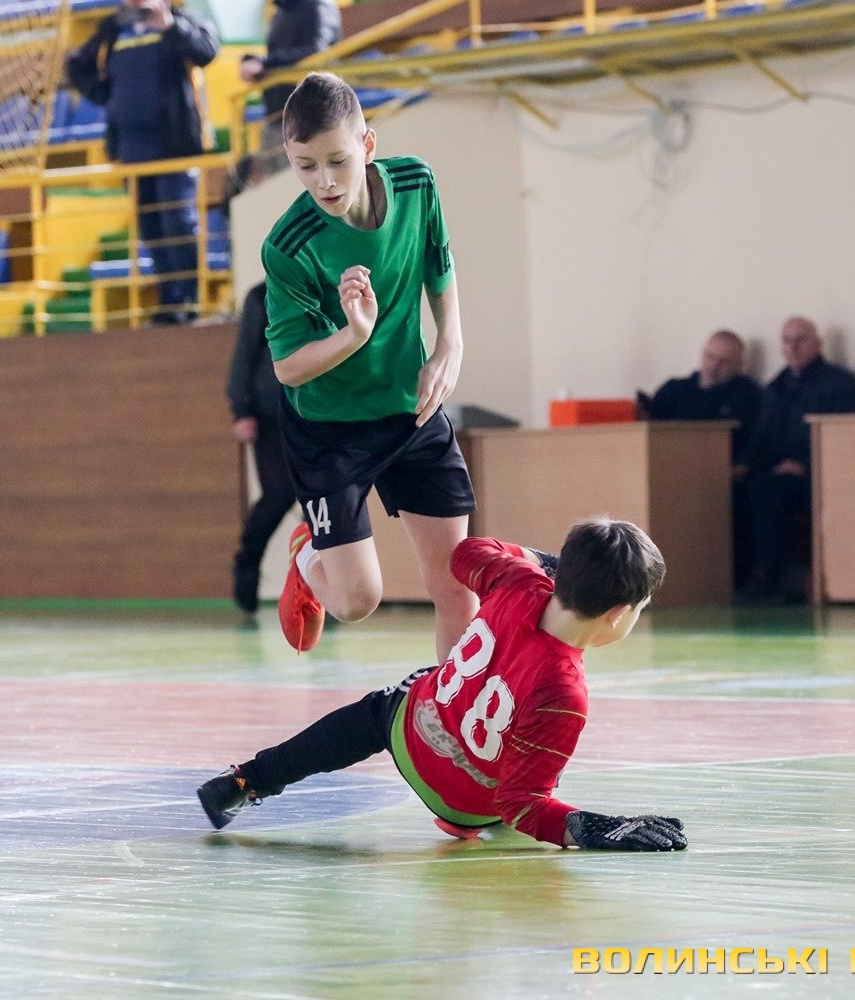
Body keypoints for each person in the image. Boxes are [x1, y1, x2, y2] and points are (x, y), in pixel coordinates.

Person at [196, 518, 688, 853]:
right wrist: (595, 828)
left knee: (380, 710)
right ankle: (457, 816)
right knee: (536, 756)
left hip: (411, 738)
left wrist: (548, 562)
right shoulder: (565, 693)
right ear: (618, 613)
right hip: (468, 807)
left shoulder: (517, 580)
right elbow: (521, 805)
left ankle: (244, 782)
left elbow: (467, 554)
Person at [264, 72, 477, 661]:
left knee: (458, 584)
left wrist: (450, 344)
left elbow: (438, 263)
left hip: (410, 407)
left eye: (338, 160)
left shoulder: (415, 183)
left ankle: (449, 712)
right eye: (306, 166)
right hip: (328, 429)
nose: (325, 181)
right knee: (358, 601)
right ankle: (308, 557)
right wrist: (355, 334)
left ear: (368, 145)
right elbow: (287, 368)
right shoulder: (289, 245)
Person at [65, 0, 219, 325]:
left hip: (175, 147)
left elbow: (207, 52)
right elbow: (77, 64)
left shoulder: (184, 20)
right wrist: (106, 93)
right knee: (150, 227)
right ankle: (169, 302)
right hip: (131, 151)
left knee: (178, 223)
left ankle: (189, 301)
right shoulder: (114, 29)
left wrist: (169, 26)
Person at [735, 316, 855, 604]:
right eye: (786, 340)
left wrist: (806, 466)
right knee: (738, 489)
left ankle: (769, 579)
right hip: (778, 472)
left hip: (822, 477)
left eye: (800, 340)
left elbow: (848, 441)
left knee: (768, 492)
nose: (793, 347)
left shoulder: (841, 385)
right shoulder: (775, 388)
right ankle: (742, 578)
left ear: (817, 344)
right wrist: (743, 465)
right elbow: (761, 437)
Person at [639, 329, 762, 588]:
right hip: (669, 476)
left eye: (723, 361)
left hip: (724, 478)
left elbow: (756, 442)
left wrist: (738, 468)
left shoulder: (749, 396)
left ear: (739, 365)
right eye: (710, 357)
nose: (714, 365)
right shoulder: (674, 391)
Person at [227, 283, 295, 617]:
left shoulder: (322, 286)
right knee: (278, 495)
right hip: (270, 416)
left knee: (322, 503)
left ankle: (322, 589)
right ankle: (247, 563)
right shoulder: (260, 296)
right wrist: (241, 409)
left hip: (315, 413)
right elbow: (245, 354)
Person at [239, 0, 341, 150]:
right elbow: (280, 54)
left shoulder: (318, 5)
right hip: (278, 116)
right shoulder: (282, 11)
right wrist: (256, 63)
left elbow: (317, 52)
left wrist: (265, 63)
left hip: (313, 118)